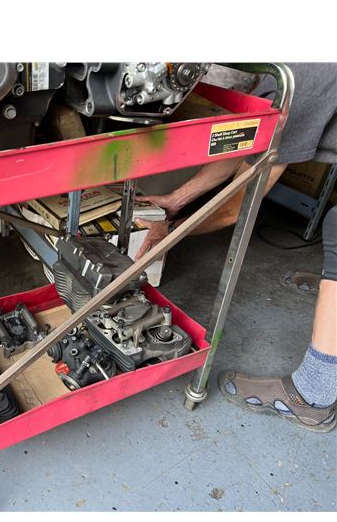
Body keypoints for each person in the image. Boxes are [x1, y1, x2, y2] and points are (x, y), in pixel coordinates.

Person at [133, 63, 337, 432]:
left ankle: (312, 396)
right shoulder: (273, 74)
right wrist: (177, 200)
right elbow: (244, 148)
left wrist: (171, 231)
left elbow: (237, 207)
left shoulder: (298, 77)